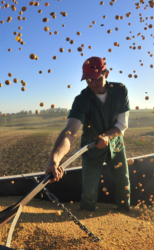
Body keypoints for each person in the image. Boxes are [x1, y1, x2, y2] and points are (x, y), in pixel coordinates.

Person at [45, 56, 131, 211]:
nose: (92, 83)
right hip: (91, 148)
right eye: (88, 80)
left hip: (116, 145)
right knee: (89, 189)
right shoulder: (82, 99)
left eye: (96, 79)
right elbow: (70, 131)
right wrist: (55, 159)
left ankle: (125, 211)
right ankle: (86, 214)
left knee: (123, 182)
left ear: (106, 73)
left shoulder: (120, 90)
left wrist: (106, 136)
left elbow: (121, 124)